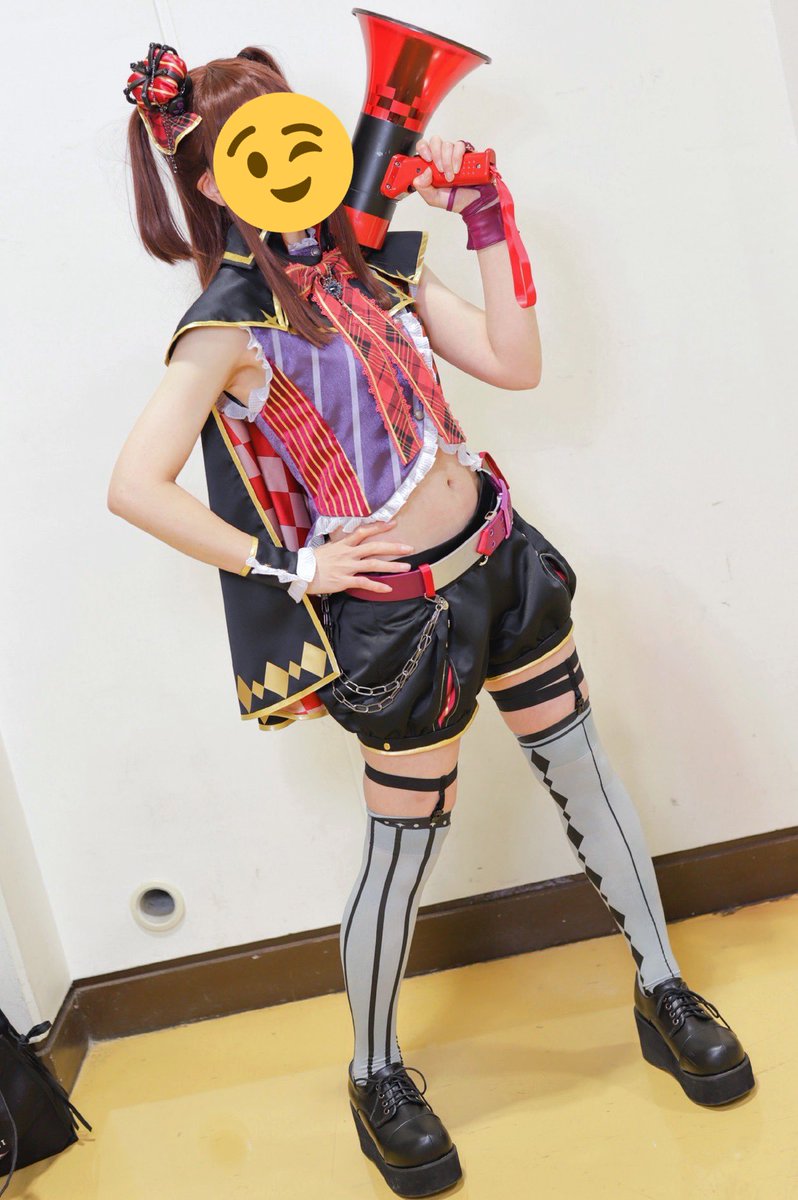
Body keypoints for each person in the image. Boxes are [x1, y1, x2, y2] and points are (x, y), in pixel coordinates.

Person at [109, 42, 755, 1199]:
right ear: (212, 181)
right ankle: (374, 1075)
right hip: (399, 624)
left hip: (502, 561)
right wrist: (295, 563)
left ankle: (663, 988)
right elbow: (133, 486)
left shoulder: (377, 267)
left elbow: (515, 361)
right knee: (405, 848)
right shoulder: (227, 326)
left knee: (586, 772)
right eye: (254, 146)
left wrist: (489, 217)